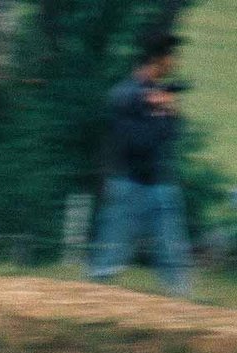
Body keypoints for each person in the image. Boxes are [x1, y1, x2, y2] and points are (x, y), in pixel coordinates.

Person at [87, 31, 191, 297]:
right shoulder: (128, 95)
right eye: (171, 56)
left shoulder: (151, 96)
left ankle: (182, 303)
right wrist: (161, 113)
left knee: (172, 253)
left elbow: (169, 136)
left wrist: (167, 112)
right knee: (109, 255)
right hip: (129, 182)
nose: (174, 62)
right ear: (159, 58)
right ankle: (92, 300)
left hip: (158, 183)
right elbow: (137, 141)